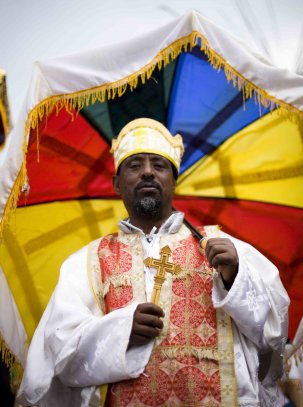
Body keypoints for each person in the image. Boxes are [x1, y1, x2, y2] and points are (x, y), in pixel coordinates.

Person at [17, 118, 290, 407]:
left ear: (174, 180)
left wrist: (236, 277)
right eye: (135, 165)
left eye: (159, 165)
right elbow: (61, 352)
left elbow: (271, 338)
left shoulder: (224, 249)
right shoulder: (86, 263)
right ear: (117, 184)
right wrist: (121, 330)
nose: (148, 172)